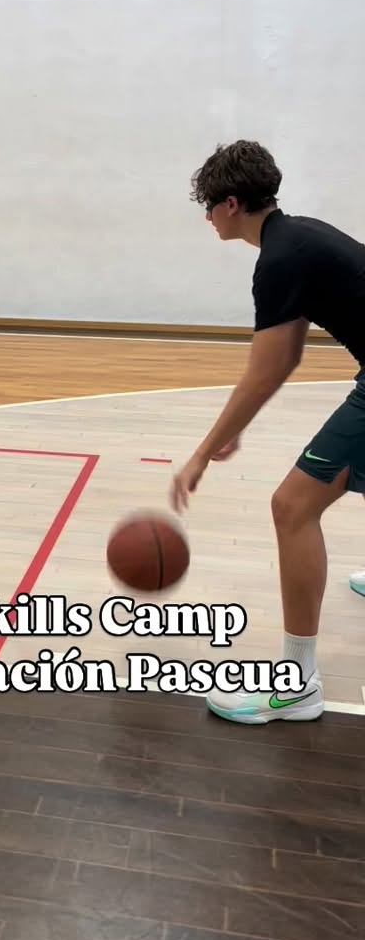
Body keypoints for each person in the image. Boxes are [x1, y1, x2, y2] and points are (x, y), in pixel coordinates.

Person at [170, 139, 365, 724]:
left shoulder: (279, 258)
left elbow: (268, 369)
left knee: (292, 506)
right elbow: (285, 357)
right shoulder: (298, 237)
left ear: (232, 204)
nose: (205, 216)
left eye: (207, 205)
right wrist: (234, 430)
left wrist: (203, 452)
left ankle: (299, 685)